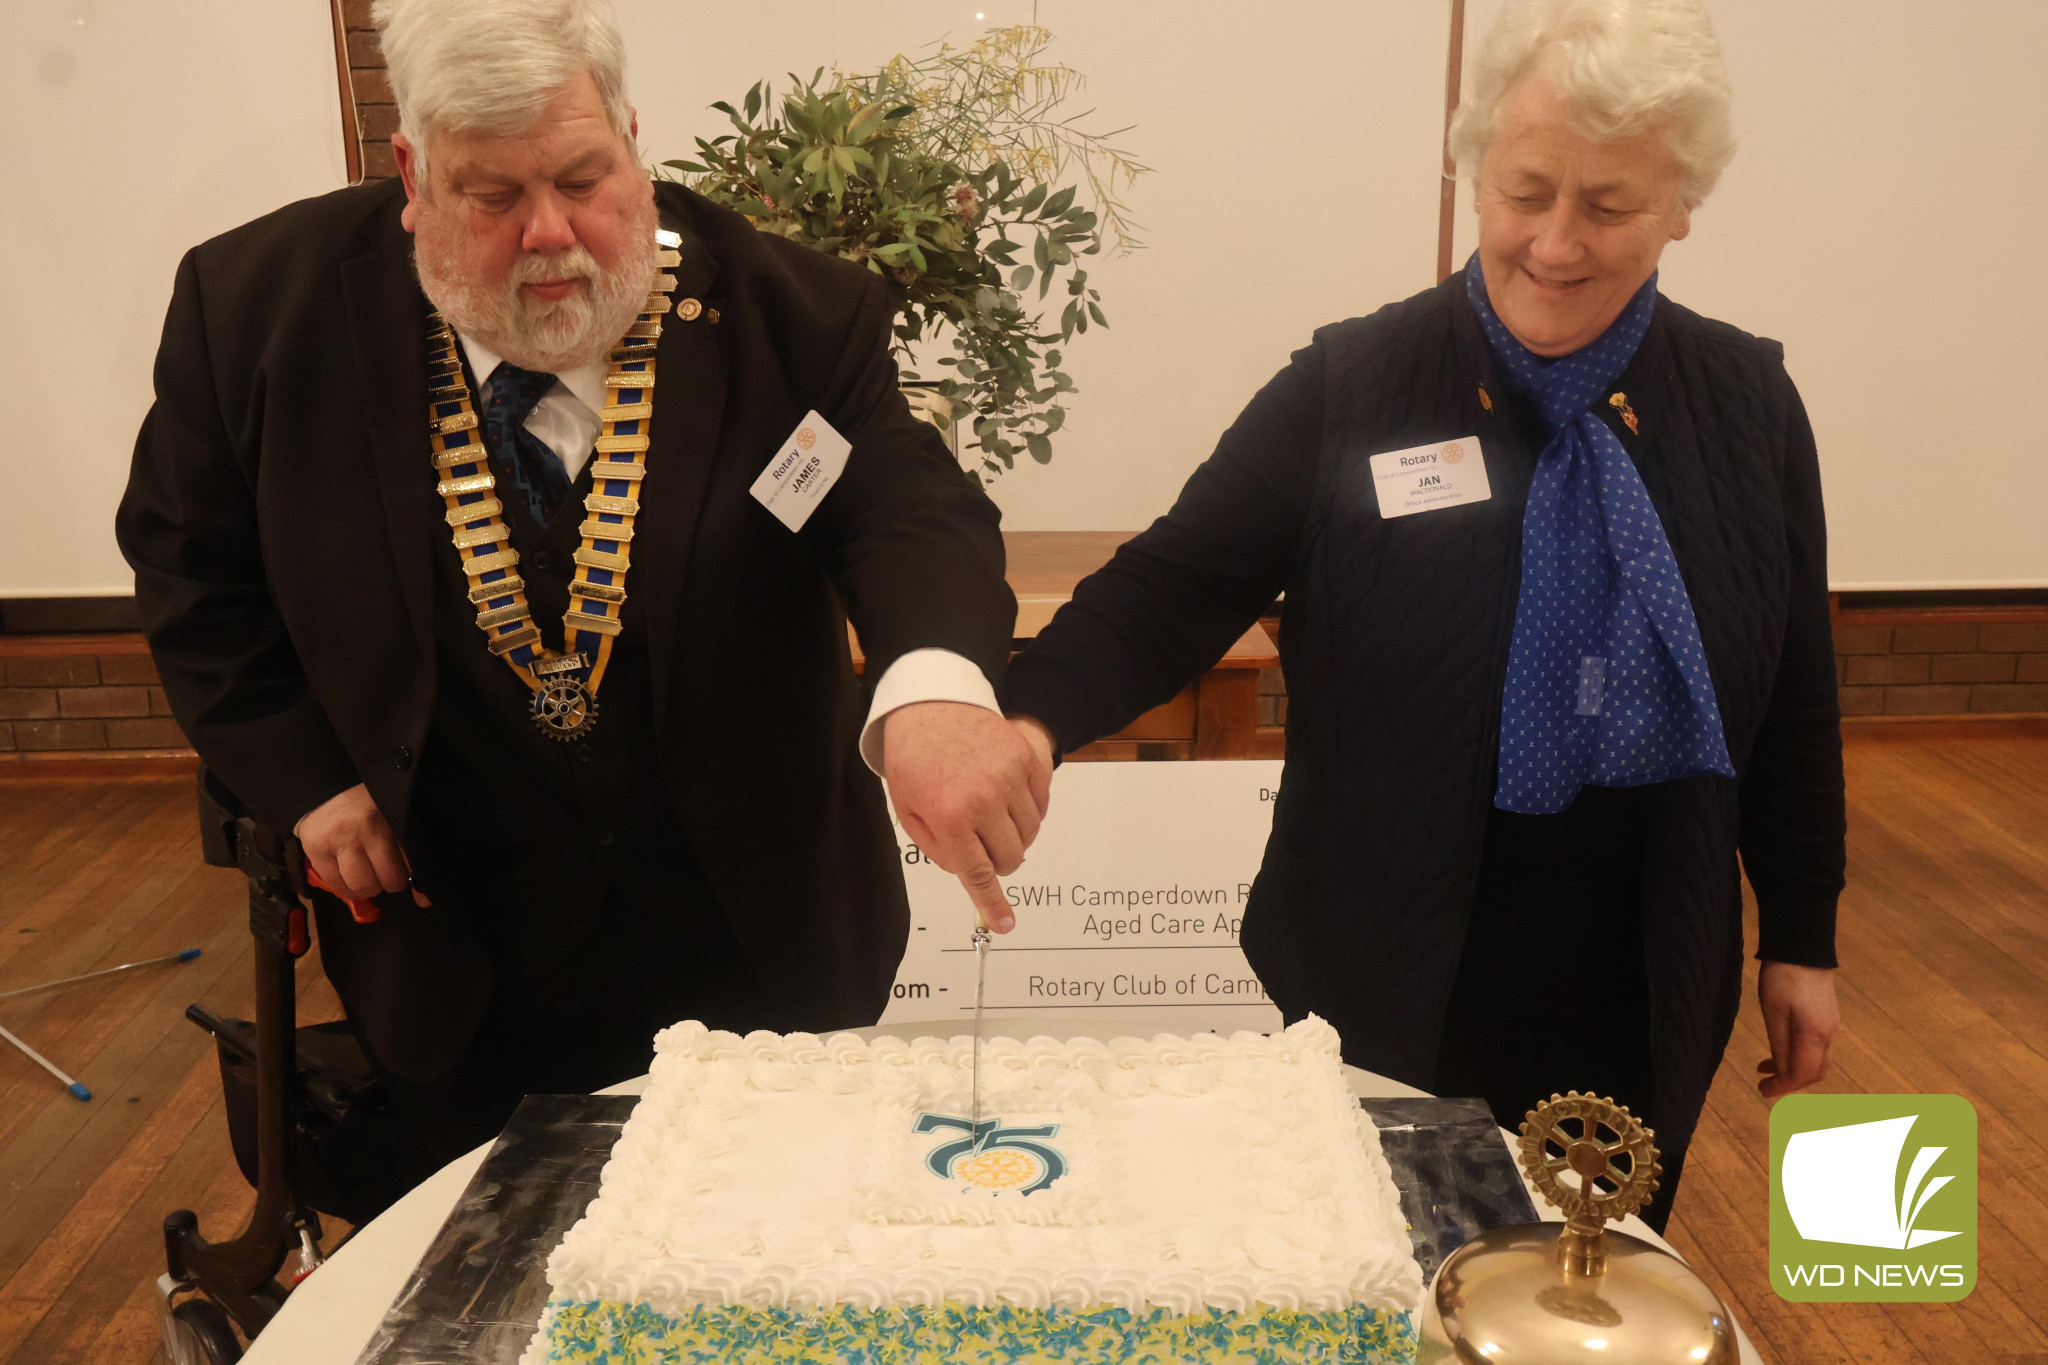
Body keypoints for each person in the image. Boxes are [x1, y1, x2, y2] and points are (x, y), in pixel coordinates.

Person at [116, 0, 1047, 1167]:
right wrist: (305, 782)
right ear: (412, 174)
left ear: (631, 137)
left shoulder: (794, 316)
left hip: (755, 934)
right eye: (492, 197)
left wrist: (936, 692)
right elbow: (192, 569)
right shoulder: (252, 312)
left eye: (582, 177)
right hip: (452, 938)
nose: (551, 235)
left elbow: (904, 511)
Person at [996, 0, 1842, 1230]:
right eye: (1523, 191)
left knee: (1578, 1278)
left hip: (1643, 952)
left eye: (1607, 206)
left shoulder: (1747, 407)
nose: (1554, 243)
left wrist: (1801, 935)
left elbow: (1795, 686)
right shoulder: (1356, 384)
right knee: (1379, 1264)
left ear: (1680, 207)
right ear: (1473, 174)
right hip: (1380, 952)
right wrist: (1024, 722)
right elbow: (1174, 586)